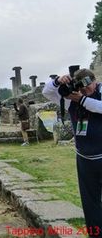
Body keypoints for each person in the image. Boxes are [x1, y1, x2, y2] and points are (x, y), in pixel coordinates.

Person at [43, 68, 102, 234]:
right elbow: (46, 91)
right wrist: (57, 81)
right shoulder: (72, 99)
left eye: (88, 86)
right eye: (81, 87)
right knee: (90, 204)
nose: (85, 90)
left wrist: (82, 100)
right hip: (84, 158)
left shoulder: (98, 92)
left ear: (95, 81)